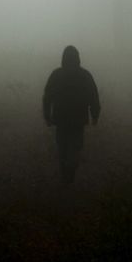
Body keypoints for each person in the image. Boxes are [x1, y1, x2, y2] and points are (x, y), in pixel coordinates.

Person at [42, 45, 101, 183]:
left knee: (62, 149)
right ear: (78, 58)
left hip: (61, 120)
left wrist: (47, 116)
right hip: (78, 121)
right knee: (75, 147)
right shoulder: (85, 75)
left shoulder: (56, 74)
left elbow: (47, 97)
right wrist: (95, 115)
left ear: (63, 58)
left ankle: (65, 179)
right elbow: (94, 97)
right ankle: (70, 176)